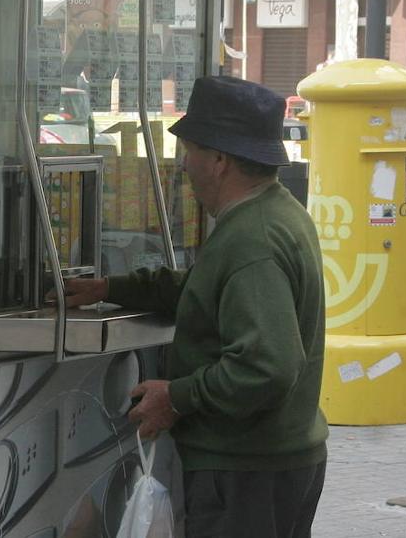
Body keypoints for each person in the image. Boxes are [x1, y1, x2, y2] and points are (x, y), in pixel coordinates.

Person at [58, 75, 327, 538]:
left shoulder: (251, 238)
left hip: (245, 472)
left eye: (192, 151)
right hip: (268, 465)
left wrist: (178, 398)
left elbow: (270, 365)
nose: (185, 165)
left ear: (219, 160)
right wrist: (111, 287)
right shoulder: (273, 212)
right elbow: (208, 291)